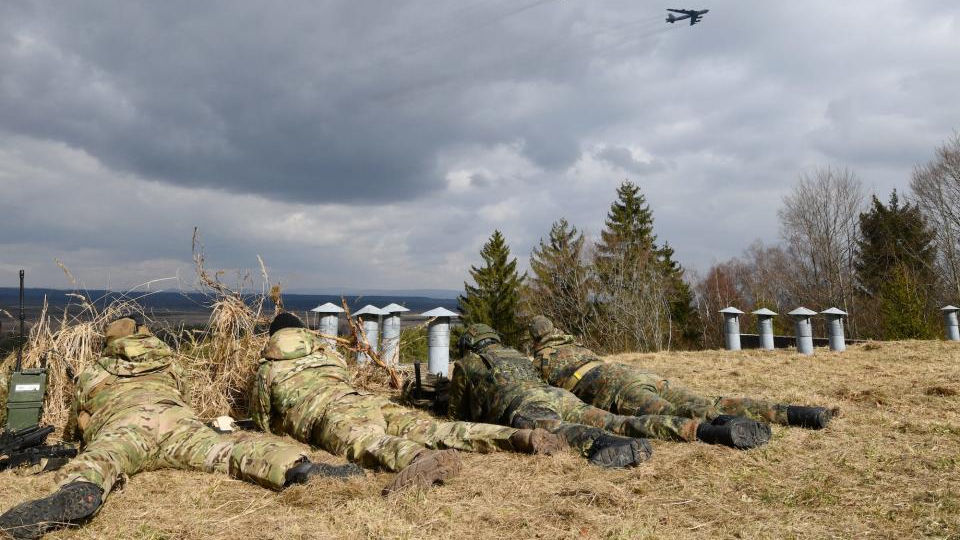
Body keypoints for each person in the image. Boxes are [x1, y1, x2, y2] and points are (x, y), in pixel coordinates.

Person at [0, 315, 360, 540]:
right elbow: (183, 396)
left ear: (111, 343)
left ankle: (78, 490)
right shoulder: (169, 364)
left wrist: (80, 438)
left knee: (102, 458)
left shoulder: (95, 371)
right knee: (231, 450)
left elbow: (78, 425)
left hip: (126, 427)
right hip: (178, 424)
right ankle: (296, 466)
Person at [251, 313, 564, 495]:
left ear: (275, 338)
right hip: (364, 401)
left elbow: (263, 419)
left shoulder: (269, 369)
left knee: (372, 442)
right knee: (438, 427)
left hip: (329, 414)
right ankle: (516, 438)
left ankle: (422, 458)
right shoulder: (327, 355)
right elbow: (344, 381)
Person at [449, 324, 771, 464]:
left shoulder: (467, 364)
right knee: (618, 421)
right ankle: (708, 431)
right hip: (559, 396)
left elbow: (455, 411)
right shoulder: (518, 356)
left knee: (560, 430)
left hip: (528, 406)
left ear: (468, 345)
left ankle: (605, 447)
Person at [529, 316, 836, 429]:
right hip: (635, 373)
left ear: (535, 339)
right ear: (555, 331)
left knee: (679, 412)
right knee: (711, 398)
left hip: (614, 390)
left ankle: (732, 428)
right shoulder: (578, 345)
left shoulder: (541, 361)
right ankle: (799, 414)